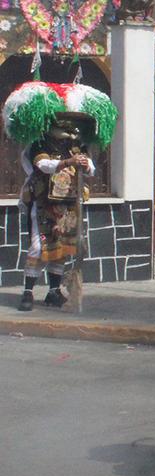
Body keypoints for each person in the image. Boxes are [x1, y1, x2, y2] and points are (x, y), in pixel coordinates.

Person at [2, 82, 118, 311]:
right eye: (63, 123)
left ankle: (53, 292)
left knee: (63, 246)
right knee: (38, 246)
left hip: (69, 204)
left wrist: (85, 164)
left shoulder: (76, 146)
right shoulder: (39, 144)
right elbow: (43, 165)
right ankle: (27, 293)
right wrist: (67, 162)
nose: (69, 128)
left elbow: (91, 168)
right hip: (43, 201)